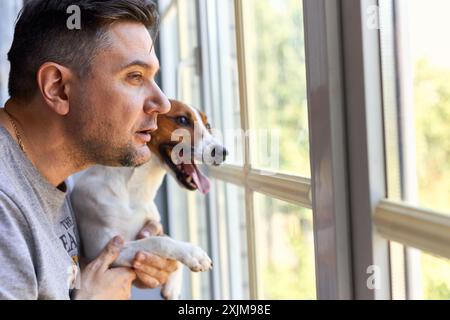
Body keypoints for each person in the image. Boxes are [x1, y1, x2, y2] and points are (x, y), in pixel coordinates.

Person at [0, 0, 178, 300]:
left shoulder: (50, 172)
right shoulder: (5, 208)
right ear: (58, 88)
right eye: (135, 76)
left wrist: (120, 261)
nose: (163, 104)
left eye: (154, 78)